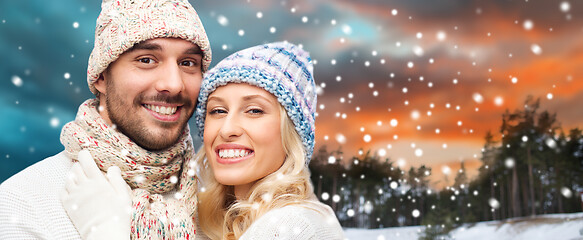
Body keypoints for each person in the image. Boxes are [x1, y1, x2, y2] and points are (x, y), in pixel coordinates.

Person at [62, 42, 345, 239]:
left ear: (291, 132)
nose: (227, 129)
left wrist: (107, 230)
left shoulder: (290, 225)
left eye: (254, 110)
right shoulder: (227, 223)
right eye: (217, 111)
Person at [0, 0, 211, 239]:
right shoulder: (23, 205)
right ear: (100, 76)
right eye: (146, 60)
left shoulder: (222, 203)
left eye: (187, 63)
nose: (173, 84)